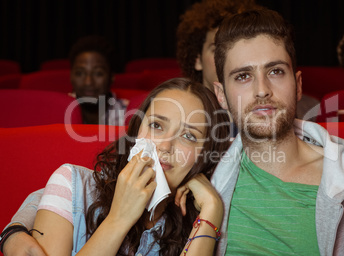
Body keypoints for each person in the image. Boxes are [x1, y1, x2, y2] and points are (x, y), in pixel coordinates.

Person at [193, 8, 344, 255]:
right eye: (243, 76)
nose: (262, 90)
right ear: (221, 95)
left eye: (275, 71)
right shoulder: (201, 178)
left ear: (298, 85)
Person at [0, 78, 231, 256]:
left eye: (189, 136)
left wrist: (211, 210)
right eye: (157, 125)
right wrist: (120, 218)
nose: (165, 145)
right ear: (136, 132)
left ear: (205, 155)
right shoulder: (73, 186)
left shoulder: (205, 216)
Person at [176, 0, 320, 121]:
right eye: (217, 50)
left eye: (276, 71)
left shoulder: (307, 108)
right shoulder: (177, 111)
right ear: (197, 59)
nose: (262, 91)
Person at [69, 35, 127, 125]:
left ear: (111, 77)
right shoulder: (56, 111)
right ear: (71, 76)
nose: (88, 82)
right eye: (80, 73)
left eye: (98, 73)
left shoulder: (130, 114)